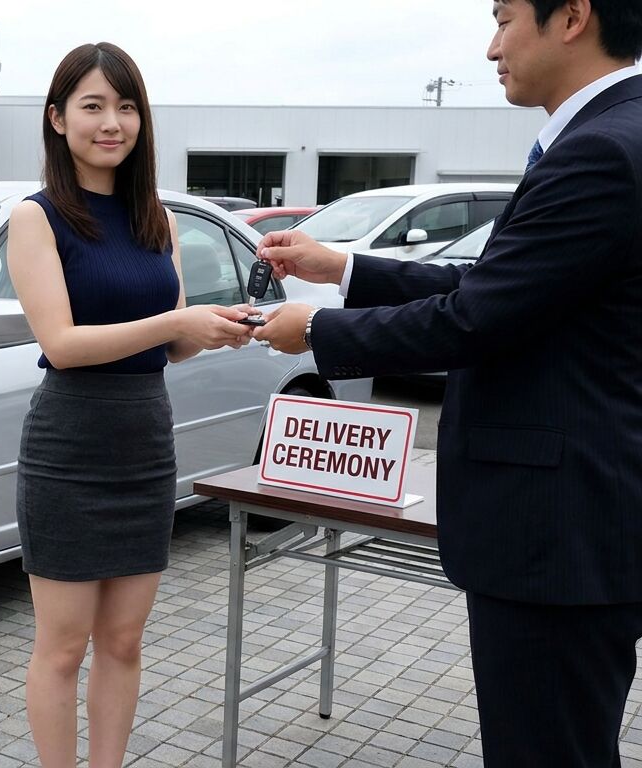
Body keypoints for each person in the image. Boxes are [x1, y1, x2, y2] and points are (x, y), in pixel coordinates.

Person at [252, 1, 642, 764]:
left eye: (504, 18)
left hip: (554, 533)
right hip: (580, 523)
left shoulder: (599, 152)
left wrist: (315, 331)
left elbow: (475, 320)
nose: (492, 46)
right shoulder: (613, 135)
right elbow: (504, 287)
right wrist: (345, 268)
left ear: (572, 17)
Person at [7, 42, 254, 768]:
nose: (111, 122)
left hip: (145, 444)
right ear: (57, 119)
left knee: (123, 641)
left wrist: (213, 330)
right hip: (69, 449)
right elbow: (63, 341)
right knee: (61, 648)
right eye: (92, 106)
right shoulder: (36, 217)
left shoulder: (157, 219)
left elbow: (168, 346)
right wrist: (176, 323)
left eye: (125, 106)